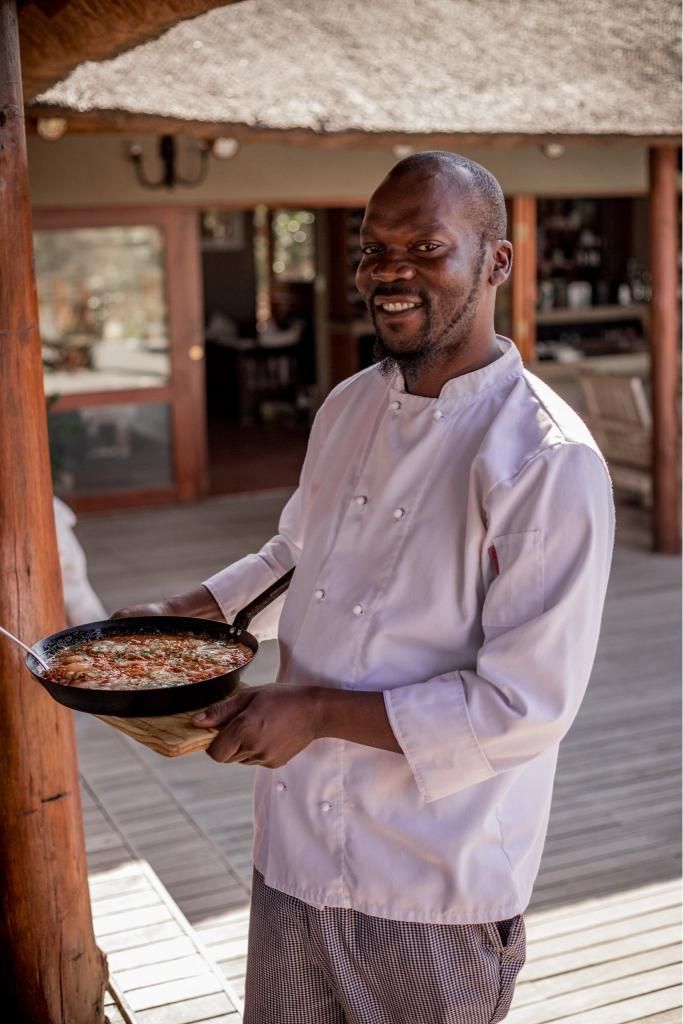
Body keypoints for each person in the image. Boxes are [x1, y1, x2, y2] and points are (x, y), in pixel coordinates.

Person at [115, 152, 615, 1024]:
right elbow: (299, 553)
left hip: (433, 882)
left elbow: (526, 704)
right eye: (374, 248)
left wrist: (310, 712)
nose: (391, 269)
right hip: (293, 856)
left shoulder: (546, 460)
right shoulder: (347, 405)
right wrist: (192, 613)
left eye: (426, 246)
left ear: (495, 261)